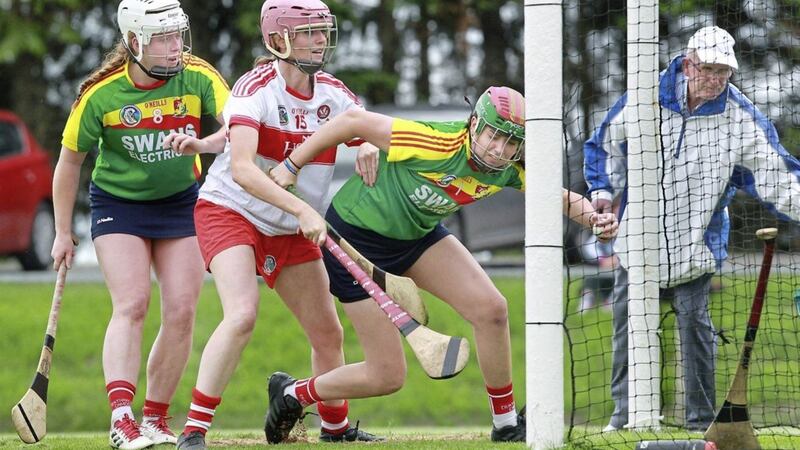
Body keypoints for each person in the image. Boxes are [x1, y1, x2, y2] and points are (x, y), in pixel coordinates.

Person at [265, 85, 618, 443]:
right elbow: (353, 120)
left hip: (417, 236)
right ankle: (292, 394)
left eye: (510, 142)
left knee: (492, 309)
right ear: (474, 124)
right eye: (492, 135)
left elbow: (559, 197)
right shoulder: (433, 142)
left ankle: (506, 423)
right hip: (358, 241)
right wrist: (293, 165)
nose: (498, 149)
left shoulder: (509, 168)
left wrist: (594, 220)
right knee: (387, 376)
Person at [174, 1, 382, 448]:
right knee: (242, 314)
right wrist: (305, 210)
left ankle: (335, 428)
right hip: (230, 210)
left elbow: (371, 128)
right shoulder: (255, 88)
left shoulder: (335, 93)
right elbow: (245, 170)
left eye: (323, 31)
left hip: (288, 226)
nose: (320, 40)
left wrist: (369, 145)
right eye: (308, 32)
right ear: (278, 39)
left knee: (328, 331)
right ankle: (193, 431)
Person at [583, 25, 800, 432]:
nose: (715, 80)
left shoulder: (741, 119)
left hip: (695, 251)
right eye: (708, 69)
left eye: (724, 72)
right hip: (637, 245)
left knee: (696, 335)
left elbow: (780, 178)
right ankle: (624, 417)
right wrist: (602, 194)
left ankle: (700, 423)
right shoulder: (643, 97)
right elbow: (604, 144)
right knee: (627, 334)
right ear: (687, 64)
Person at [50, 1, 229, 449]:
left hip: (181, 202)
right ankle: (122, 419)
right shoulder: (100, 94)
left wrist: (201, 144)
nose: (176, 48)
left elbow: (240, 127)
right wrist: (60, 232)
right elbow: (69, 163)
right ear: (134, 43)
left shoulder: (199, 75)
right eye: (164, 39)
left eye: (177, 36)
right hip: (119, 205)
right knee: (132, 303)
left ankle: (154, 418)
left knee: (183, 311)